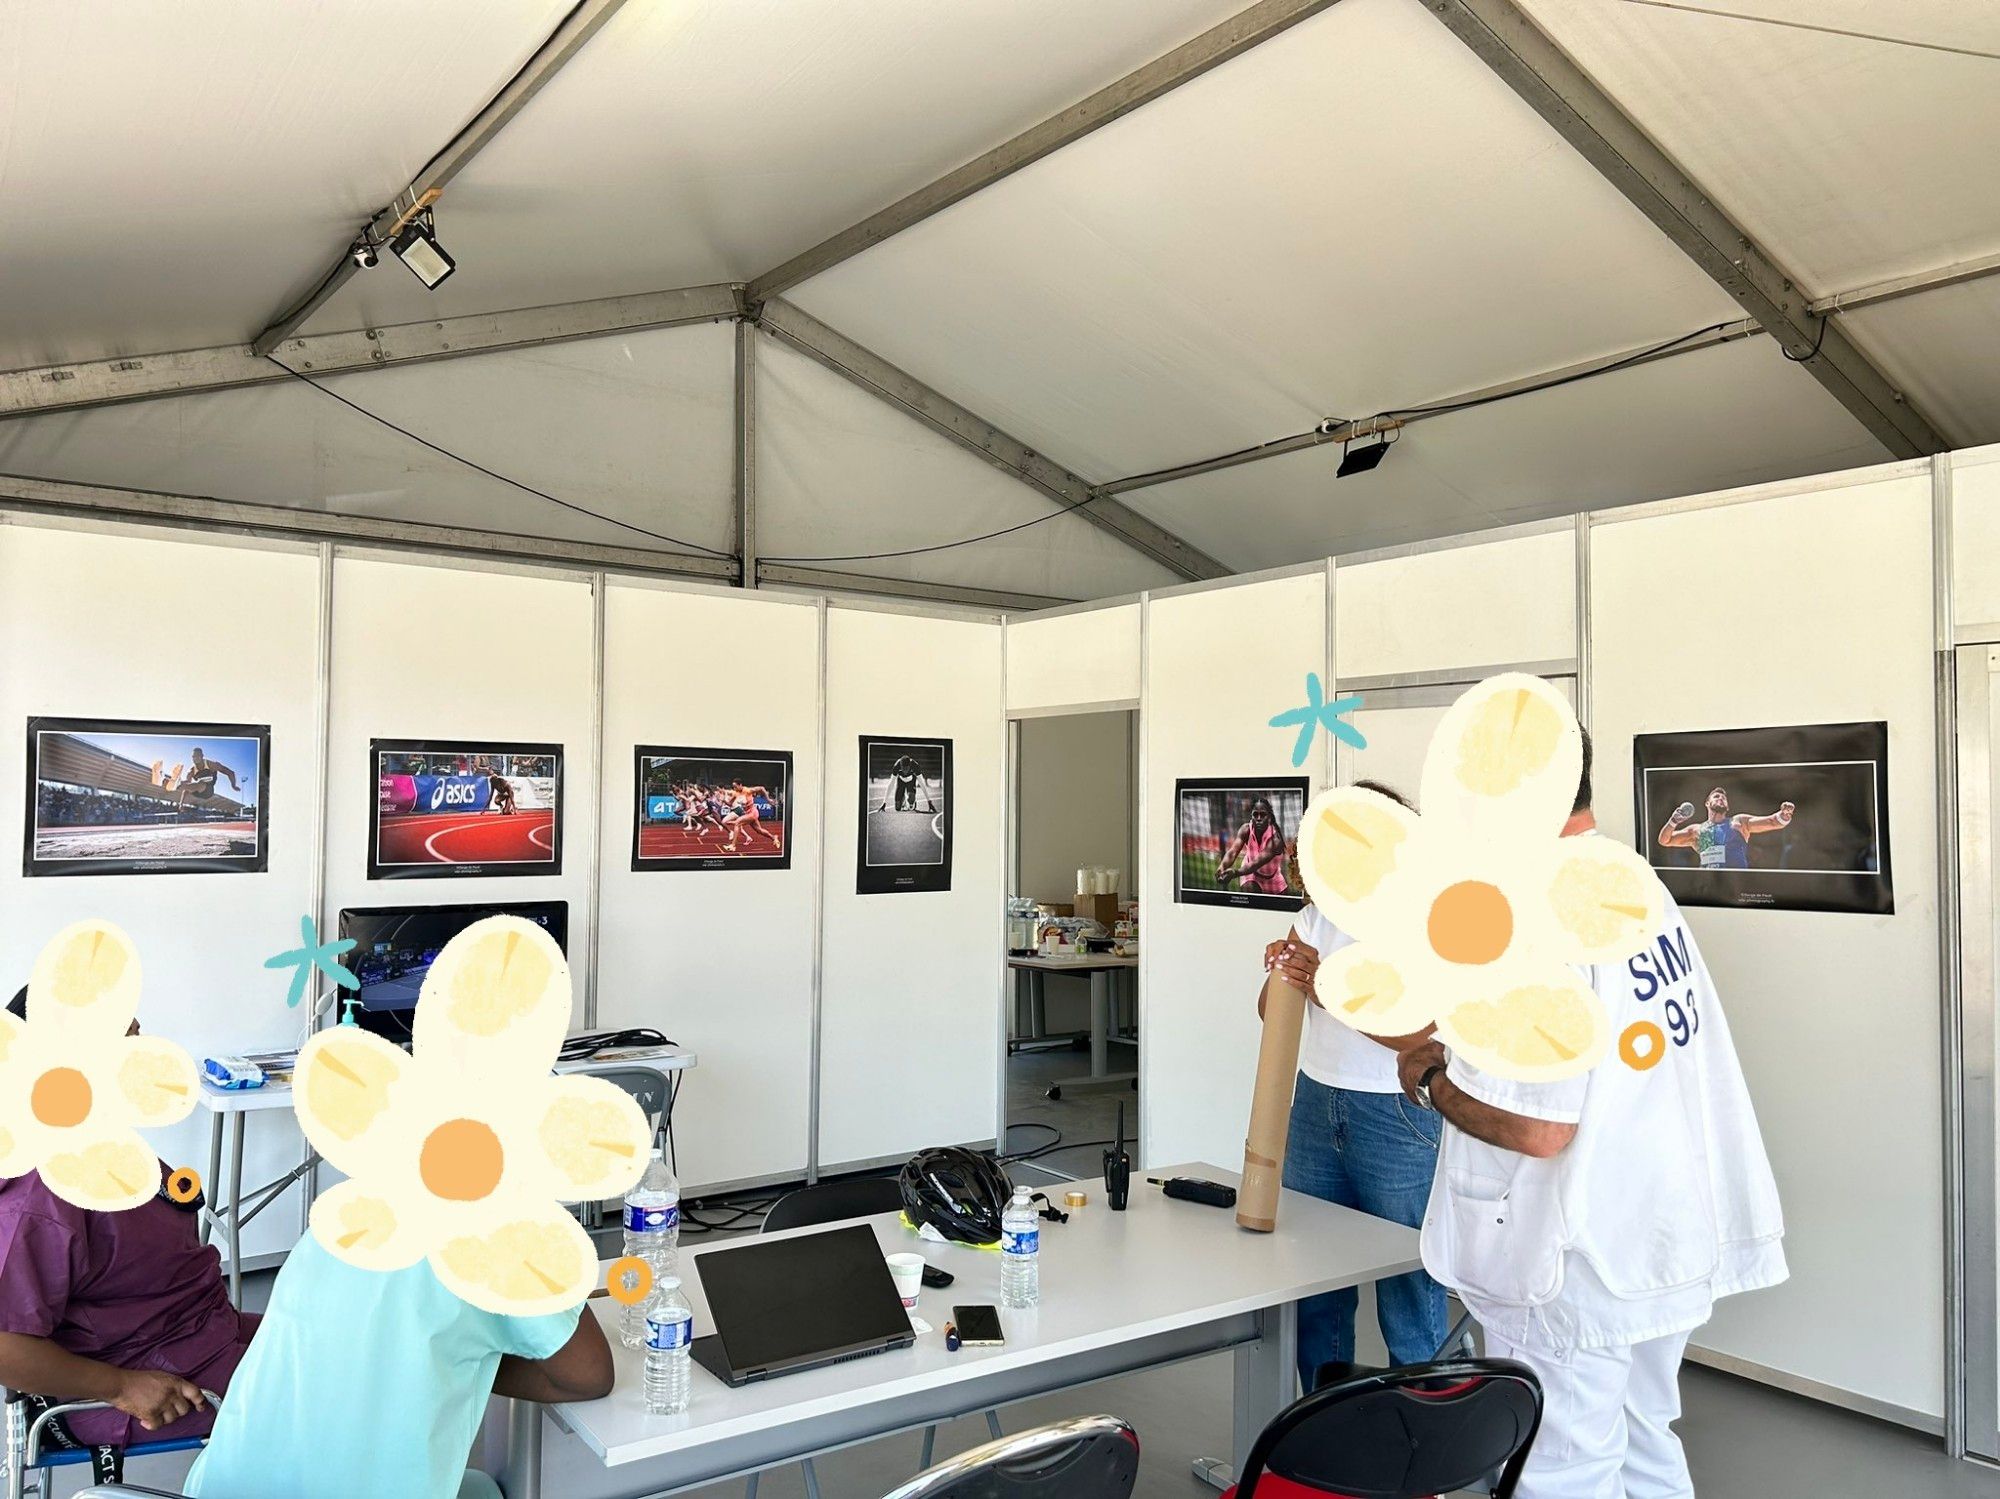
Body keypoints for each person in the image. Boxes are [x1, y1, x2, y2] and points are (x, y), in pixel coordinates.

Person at [1398, 731, 1785, 1499]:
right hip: (1655, 1231)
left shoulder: (1537, 914)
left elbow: (1540, 1127)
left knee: (1558, 1469)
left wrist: (1430, 1076)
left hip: (1573, 1257)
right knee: (1645, 1442)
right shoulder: (1629, 876)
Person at [0, 987, 258, 1474]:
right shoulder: (43, 1193)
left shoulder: (100, 1141)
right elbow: (5, 1346)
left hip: (197, 1331)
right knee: (352, 1383)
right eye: (130, 1044)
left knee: (340, 1334)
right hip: (148, 1371)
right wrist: (121, 1386)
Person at [1258, 781, 1446, 1390]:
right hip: (1316, 1104)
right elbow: (1271, 1010)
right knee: (1315, 1285)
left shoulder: (1427, 921)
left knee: (1409, 1288)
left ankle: (1422, 1448)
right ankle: (1325, 1433)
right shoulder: (1319, 914)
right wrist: (1283, 973)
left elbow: (1426, 1036)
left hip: (1398, 1114)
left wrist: (1328, 986)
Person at [184, 1232, 613, 1499]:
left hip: (222, 1487)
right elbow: (591, 1375)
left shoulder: (334, 1222)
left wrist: (450, 1354)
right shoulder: (506, 1239)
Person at [1658, 786, 1796, 870]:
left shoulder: (1739, 822)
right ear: (1707, 803)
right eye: (1716, 796)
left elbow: (1772, 822)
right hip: (1709, 886)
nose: (1720, 799)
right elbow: (1665, 840)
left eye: (1724, 798)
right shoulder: (1696, 830)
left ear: (1727, 806)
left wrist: (1783, 815)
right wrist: (1673, 821)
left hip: (1737, 884)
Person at [1218, 796, 1291, 896]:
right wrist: (1222, 867)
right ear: (1251, 815)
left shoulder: (1275, 840)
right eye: (1255, 814)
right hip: (1250, 875)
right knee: (1250, 893)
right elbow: (1232, 852)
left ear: (1269, 817)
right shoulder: (1246, 829)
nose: (1259, 818)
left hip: (1273, 879)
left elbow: (1256, 863)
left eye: (1263, 815)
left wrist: (1234, 873)